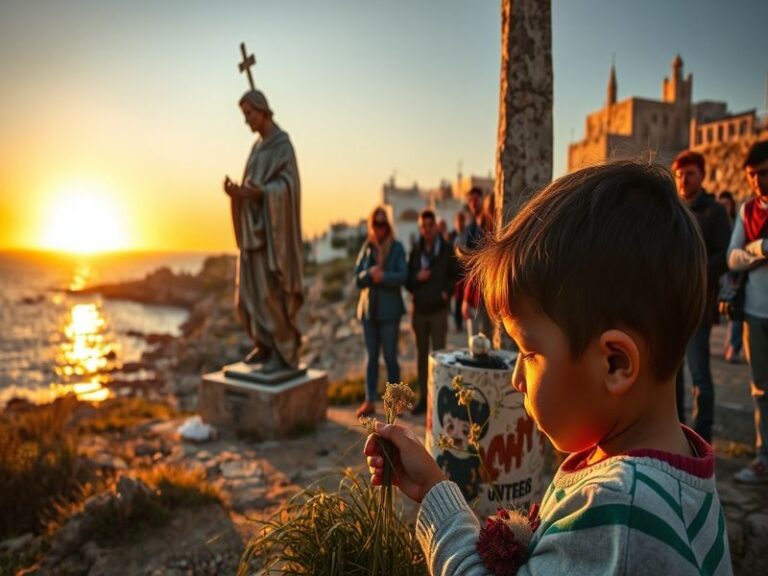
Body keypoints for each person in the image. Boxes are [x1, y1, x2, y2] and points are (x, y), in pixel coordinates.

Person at [365, 162, 732, 574]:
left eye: (528, 353)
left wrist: (436, 496)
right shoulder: (673, 469)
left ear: (615, 364)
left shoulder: (618, 516)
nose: (517, 379)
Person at [224, 89, 303, 373]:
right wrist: (238, 193)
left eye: (249, 114)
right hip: (253, 232)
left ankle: (283, 351)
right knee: (250, 294)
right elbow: (252, 184)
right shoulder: (257, 148)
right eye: (244, 115)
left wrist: (264, 194)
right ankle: (263, 343)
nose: (247, 121)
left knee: (270, 294)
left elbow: (288, 186)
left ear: (263, 110)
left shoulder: (282, 145)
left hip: (272, 238)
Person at [672, 151, 731, 443]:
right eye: (679, 174)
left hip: (699, 305)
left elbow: (724, 256)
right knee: (670, 374)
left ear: (702, 175)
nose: (684, 179)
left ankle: (701, 438)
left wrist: (693, 267)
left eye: (690, 173)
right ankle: (676, 435)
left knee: (700, 377)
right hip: (671, 306)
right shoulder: (671, 209)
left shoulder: (715, 212)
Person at [729, 140, 768, 484]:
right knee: (760, 390)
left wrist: (748, 253)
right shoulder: (747, 211)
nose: (757, 181)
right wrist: (761, 248)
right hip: (756, 312)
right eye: (752, 175)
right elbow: (733, 257)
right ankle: (763, 457)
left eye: (763, 173)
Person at [354, 207, 408, 417]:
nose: (379, 228)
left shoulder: (397, 247)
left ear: (388, 225)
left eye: (382, 223)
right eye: (375, 223)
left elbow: (403, 276)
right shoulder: (367, 247)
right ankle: (369, 400)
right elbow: (357, 277)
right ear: (371, 225)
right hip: (368, 312)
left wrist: (383, 276)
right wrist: (369, 273)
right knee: (371, 357)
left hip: (389, 312)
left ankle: (395, 402)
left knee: (391, 357)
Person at [407, 210, 456, 415]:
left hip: (438, 312)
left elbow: (455, 274)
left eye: (430, 225)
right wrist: (417, 277)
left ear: (436, 226)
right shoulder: (416, 251)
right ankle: (423, 399)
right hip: (419, 312)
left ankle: (439, 399)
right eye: (424, 226)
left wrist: (446, 292)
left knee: (439, 356)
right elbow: (407, 281)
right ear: (420, 228)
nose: (427, 229)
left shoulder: (446, 249)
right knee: (421, 357)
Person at [460, 187, 493, 338]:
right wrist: (466, 298)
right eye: (470, 201)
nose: (473, 204)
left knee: (487, 343)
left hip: (489, 292)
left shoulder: (490, 224)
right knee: (474, 343)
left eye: (475, 199)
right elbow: (469, 266)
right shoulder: (470, 228)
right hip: (474, 293)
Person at [718, 191, 743, 363]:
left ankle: (732, 346)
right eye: (721, 204)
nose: (724, 208)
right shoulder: (715, 223)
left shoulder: (736, 225)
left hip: (734, 275)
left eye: (726, 204)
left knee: (733, 311)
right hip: (720, 273)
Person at [450, 210, 468, 332]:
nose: (459, 223)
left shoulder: (467, 235)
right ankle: (458, 323)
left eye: (461, 221)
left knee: (464, 299)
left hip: (465, 272)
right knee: (457, 300)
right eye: (458, 221)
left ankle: (463, 320)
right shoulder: (452, 236)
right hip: (456, 273)